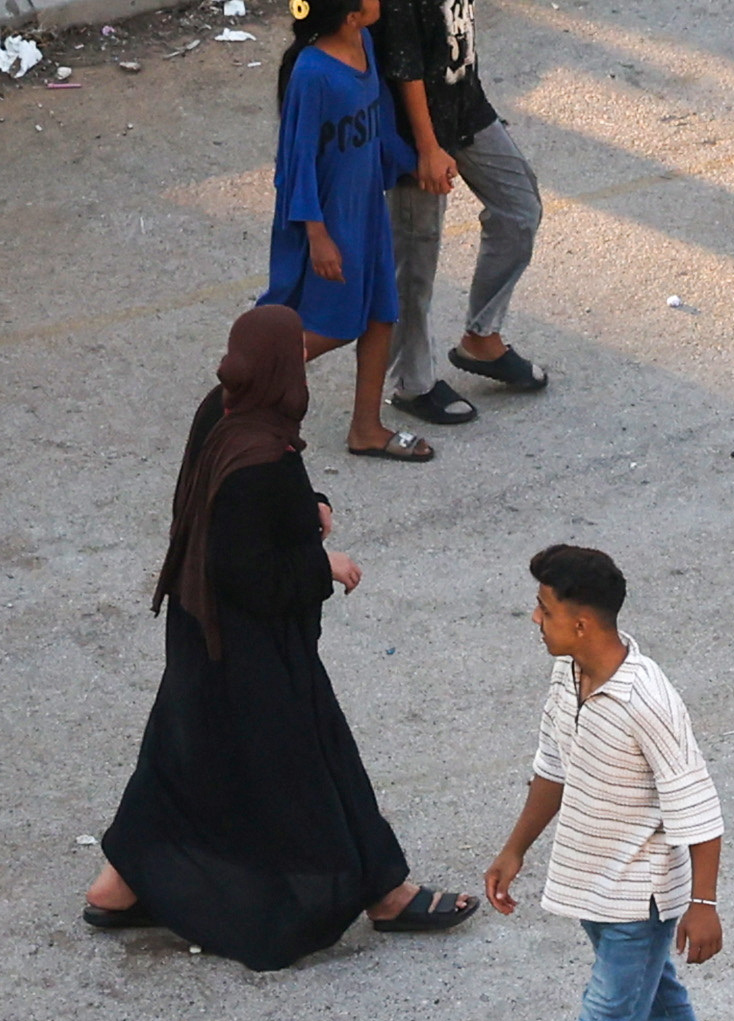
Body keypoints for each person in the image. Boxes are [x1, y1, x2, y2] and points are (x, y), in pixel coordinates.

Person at [86, 311, 477, 960]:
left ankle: (118, 885)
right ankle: (384, 892)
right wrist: (321, 563)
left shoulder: (225, 413)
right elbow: (251, 571)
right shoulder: (260, 459)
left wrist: (308, 506)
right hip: (247, 648)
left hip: (195, 626)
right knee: (314, 761)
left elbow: (234, 513)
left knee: (184, 753)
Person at [481, 543, 734, 1021]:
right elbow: (552, 771)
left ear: (583, 622)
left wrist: (704, 905)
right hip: (590, 889)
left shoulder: (648, 698)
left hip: (640, 900)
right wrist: (515, 849)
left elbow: (699, 805)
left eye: (545, 609)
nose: (535, 619)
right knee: (658, 1002)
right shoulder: (567, 678)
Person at [369, 0, 542, 435]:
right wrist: (427, 148)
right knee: (416, 260)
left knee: (520, 209)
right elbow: (403, 65)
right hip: (416, 130)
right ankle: (412, 383)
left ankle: (481, 338)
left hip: (468, 106)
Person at [264, 0, 414, 459]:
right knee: (331, 327)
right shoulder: (312, 75)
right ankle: (246, 387)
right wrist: (317, 234)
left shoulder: (364, 45)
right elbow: (296, 162)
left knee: (379, 316)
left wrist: (412, 164)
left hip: (366, 210)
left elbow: (380, 122)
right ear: (350, 15)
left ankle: (366, 428)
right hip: (330, 220)